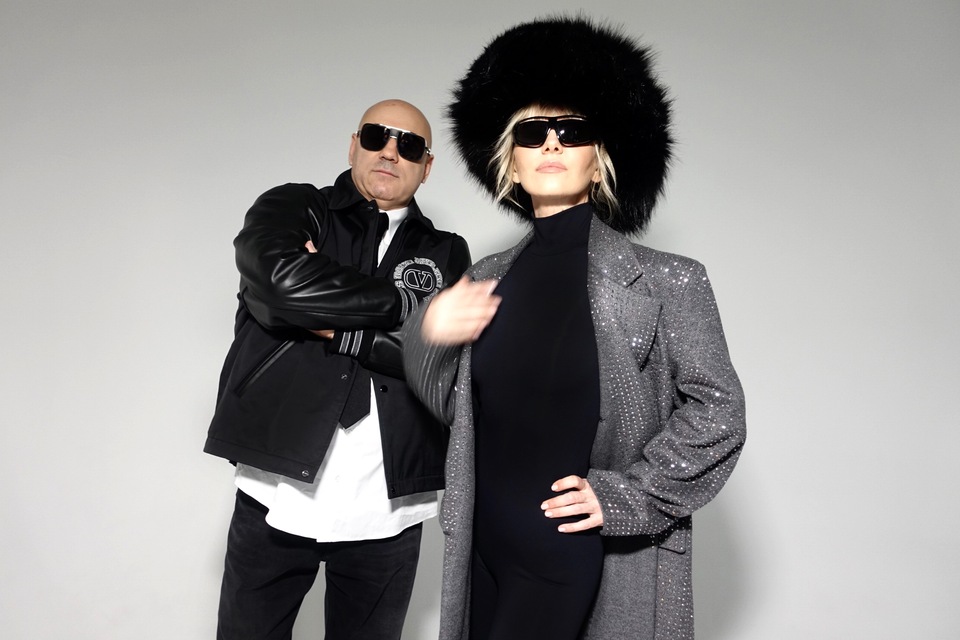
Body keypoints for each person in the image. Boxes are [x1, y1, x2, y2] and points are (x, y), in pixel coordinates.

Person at [402, 18, 746, 640]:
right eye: (532, 132)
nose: (552, 144)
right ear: (511, 162)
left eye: (572, 130)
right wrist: (428, 335)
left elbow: (719, 411)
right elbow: (456, 411)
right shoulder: (484, 277)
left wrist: (625, 497)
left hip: (572, 554)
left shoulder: (668, 280)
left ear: (599, 159)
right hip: (482, 550)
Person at [204, 99, 471, 640]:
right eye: (376, 137)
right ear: (353, 146)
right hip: (276, 489)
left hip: (388, 507)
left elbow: (446, 361)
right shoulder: (297, 206)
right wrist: (406, 307)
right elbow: (280, 284)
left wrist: (329, 316)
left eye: (409, 146)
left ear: (426, 166)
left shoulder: (446, 252)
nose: (390, 152)